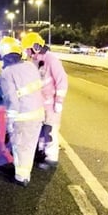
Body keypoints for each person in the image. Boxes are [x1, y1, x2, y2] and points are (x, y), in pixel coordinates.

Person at [0, 36, 45, 187]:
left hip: (22, 117)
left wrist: (10, 122)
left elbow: (12, 99)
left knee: (20, 147)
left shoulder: (7, 73)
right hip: (38, 114)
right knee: (29, 146)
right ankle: (25, 172)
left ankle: (21, 177)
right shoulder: (30, 66)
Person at [21, 32, 68, 170]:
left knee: (49, 131)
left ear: (35, 47)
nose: (27, 52)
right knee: (41, 130)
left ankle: (51, 159)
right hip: (40, 104)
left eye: (28, 49)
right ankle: (41, 152)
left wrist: (59, 101)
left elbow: (62, 80)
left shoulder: (51, 59)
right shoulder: (35, 61)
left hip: (51, 105)